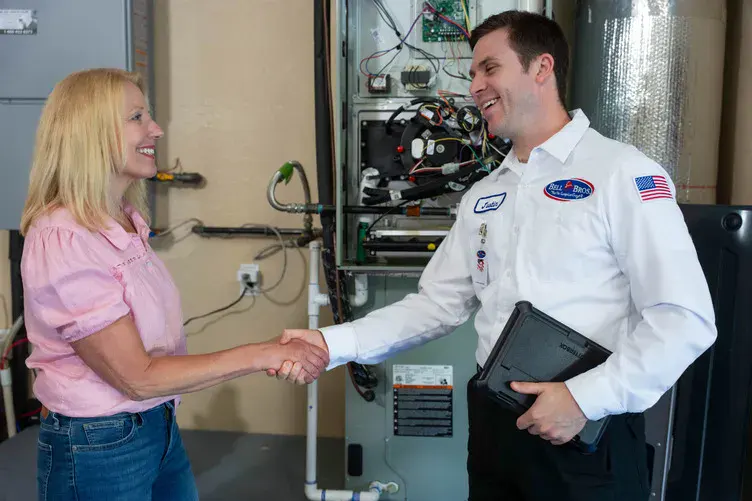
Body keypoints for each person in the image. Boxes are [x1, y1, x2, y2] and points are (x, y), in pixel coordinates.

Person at [269, 10, 717, 501]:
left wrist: (585, 399)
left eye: (489, 68)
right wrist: (330, 343)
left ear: (541, 68)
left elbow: (683, 319)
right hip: (494, 428)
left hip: (585, 432)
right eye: (472, 75)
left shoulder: (621, 173)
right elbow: (435, 305)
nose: (475, 87)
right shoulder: (485, 194)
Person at [19, 68, 329, 501]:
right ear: (89, 132)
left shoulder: (123, 220)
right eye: (137, 117)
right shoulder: (64, 238)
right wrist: (265, 353)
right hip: (100, 442)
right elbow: (137, 377)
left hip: (156, 425)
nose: (156, 129)